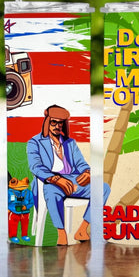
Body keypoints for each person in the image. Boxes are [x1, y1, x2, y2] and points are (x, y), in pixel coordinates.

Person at [27, 105, 110, 245]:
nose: (57, 126)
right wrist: (56, 179)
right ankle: (61, 233)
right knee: (51, 192)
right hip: (48, 181)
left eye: (60, 123)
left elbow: (81, 163)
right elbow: (35, 167)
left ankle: (82, 229)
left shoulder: (70, 143)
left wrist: (87, 173)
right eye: (54, 122)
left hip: (72, 179)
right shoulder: (35, 142)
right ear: (47, 122)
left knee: (103, 188)